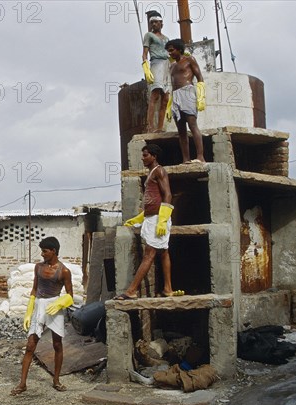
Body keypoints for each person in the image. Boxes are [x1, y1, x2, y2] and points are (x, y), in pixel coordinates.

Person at [114, 144, 183, 300]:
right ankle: (168, 288)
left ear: (154, 156)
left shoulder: (159, 171)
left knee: (149, 255)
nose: (143, 158)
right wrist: (140, 218)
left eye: (145, 155)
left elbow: (168, 195)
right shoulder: (152, 172)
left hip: (158, 218)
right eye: (143, 155)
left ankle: (131, 290)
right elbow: (154, 199)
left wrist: (163, 220)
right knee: (163, 252)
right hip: (153, 217)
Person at [11, 237, 74, 396]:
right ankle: (22, 384)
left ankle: (56, 381)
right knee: (30, 345)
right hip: (39, 305)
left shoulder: (64, 271)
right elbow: (34, 289)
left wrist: (60, 304)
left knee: (57, 345)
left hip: (54, 306)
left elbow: (70, 295)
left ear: (53, 251)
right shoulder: (38, 268)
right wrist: (29, 311)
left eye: (45, 251)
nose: (42, 254)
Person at [165, 38, 206, 164]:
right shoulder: (172, 66)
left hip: (188, 92)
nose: (170, 53)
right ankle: (186, 159)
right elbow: (172, 84)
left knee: (192, 124)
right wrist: (170, 102)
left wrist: (200, 95)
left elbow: (199, 77)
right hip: (176, 95)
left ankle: (200, 157)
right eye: (168, 51)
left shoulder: (189, 60)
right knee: (181, 130)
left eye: (171, 50)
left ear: (179, 49)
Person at [142, 11, 170, 133]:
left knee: (166, 97)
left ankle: (160, 127)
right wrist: (146, 67)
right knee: (155, 95)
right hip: (156, 63)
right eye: (151, 22)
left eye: (156, 22)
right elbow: (144, 54)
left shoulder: (166, 38)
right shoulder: (149, 35)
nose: (153, 24)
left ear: (161, 23)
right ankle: (150, 126)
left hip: (166, 65)